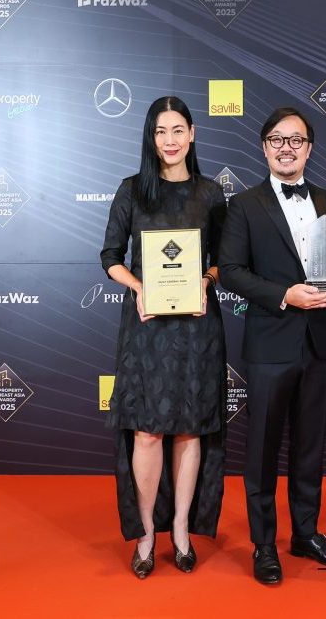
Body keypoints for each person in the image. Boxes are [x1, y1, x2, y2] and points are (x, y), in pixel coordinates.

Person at [219, 107, 326, 585]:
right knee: (262, 450)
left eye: (296, 140)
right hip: (270, 344)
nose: (286, 148)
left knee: (310, 446)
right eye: (277, 139)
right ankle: (263, 544)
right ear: (264, 147)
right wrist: (284, 295)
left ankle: (306, 533)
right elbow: (230, 271)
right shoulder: (244, 205)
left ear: (309, 148)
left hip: (319, 342)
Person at [100, 96, 227, 579]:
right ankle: (148, 534)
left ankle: (181, 530)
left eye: (178, 130)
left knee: (190, 429)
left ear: (192, 134)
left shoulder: (211, 193)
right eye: (160, 131)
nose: (170, 140)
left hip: (197, 327)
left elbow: (224, 260)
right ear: (150, 138)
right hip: (147, 326)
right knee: (147, 431)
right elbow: (110, 257)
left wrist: (206, 280)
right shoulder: (132, 190)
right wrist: (139, 287)